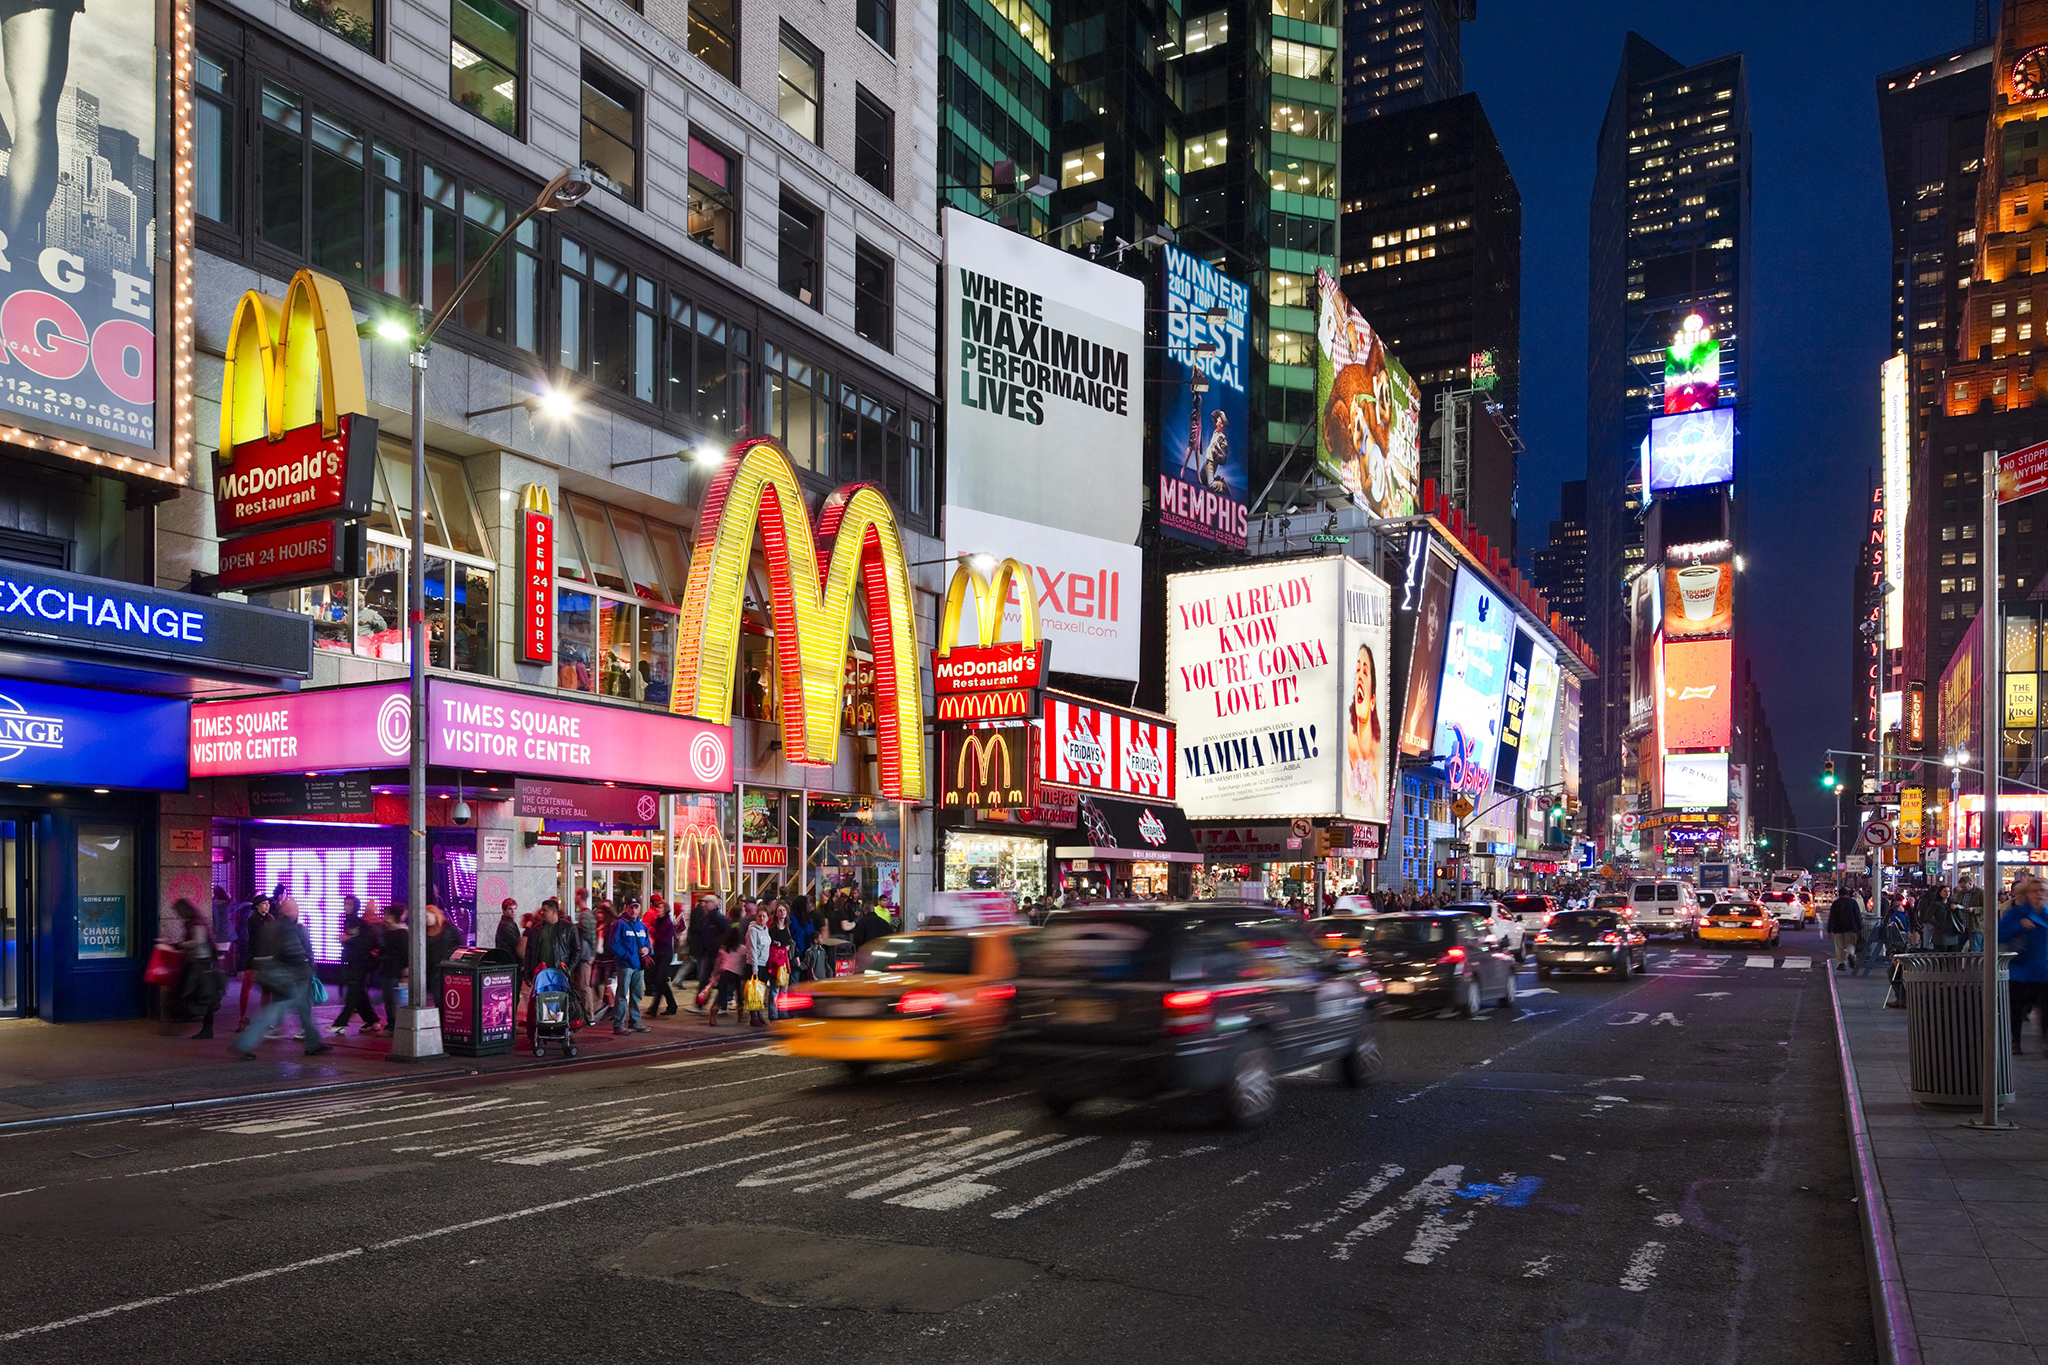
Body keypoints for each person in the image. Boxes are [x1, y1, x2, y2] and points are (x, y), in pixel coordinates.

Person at [233, 897, 332, 1059]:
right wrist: (308, 966)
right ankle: (244, 1044)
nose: (297, 911)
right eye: (294, 908)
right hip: (290, 978)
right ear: (287, 911)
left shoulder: (273, 925)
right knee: (276, 1011)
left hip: (279, 977)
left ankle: (314, 1043)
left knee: (303, 1011)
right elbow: (295, 953)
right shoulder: (289, 928)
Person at [2002, 873, 2048, 1054]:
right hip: (2020, 970)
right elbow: (1999, 933)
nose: (2038, 895)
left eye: (2042, 891)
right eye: (2035, 891)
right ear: (2027, 894)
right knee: (2016, 1008)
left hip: (2043, 970)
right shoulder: (2017, 912)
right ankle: (2015, 1041)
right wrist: (2020, 925)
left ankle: (2045, 1041)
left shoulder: (2045, 913)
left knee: (2046, 1010)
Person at [170, 898, 224, 1041]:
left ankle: (203, 1027)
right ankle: (206, 1028)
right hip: (204, 963)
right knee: (207, 998)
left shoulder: (195, 923)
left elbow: (198, 942)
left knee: (195, 994)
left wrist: (179, 945)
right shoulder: (197, 921)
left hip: (201, 964)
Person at [332, 898, 382, 1035]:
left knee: (353, 993)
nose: (346, 907)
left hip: (361, 963)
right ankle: (372, 1020)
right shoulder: (349, 922)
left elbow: (368, 943)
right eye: (345, 904)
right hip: (353, 961)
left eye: (349, 904)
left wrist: (349, 939)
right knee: (358, 993)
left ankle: (341, 1022)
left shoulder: (365, 924)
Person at [234, 895, 276, 1032]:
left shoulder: (269, 918)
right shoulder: (252, 920)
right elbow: (254, 940)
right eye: (264, 903)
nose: (267, 906)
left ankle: (264, 1020)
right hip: (255, 959)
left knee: (266, 991)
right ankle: (242, 1018)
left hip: (268, 958)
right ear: (257, 906)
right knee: (247, 988)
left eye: (268, 903)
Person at [610, 902, 651, 1034]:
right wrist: (628, 957)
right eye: (631, 907)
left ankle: (634, 1022)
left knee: (636, 995)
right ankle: (619, 1024)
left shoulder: (642, 926)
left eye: (636, 907)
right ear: (626, 908)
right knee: (622, 995)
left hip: (638, 966)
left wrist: (647, 950)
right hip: (625, 965)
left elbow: (648, 944)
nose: (633, 910)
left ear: (639, 908)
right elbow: (614, 945)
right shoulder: (619, 924)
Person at [378, 904, 410, 1030]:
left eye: (387, 914)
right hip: (388, 969)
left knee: (392, 1000)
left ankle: (393, 1026)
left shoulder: (401, 933)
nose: (385, 917)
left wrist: (405, 973)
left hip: (395, 971)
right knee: (389, 999)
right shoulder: (388, 931)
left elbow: (404, 954)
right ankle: (392, 1025)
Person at [708, 925, 745, 1026]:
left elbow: (718, 963)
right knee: (739, 995)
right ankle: (740, 1016)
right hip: (736, 974)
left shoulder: (724, 949)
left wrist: (715, 974)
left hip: (724, 973)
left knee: (721, 995)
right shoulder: (742, 949)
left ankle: (713, 1014)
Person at [646, 900, 678, 1016]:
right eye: (658, 908)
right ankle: (671, 1005)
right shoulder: (658, 921)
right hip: (658, 953)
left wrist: (654, 932)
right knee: (660, 981)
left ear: (665, 910)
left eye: (660, 908)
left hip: (665, 954)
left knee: (660, 980)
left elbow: (665, 939)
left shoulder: (667, 923)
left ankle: (655, 1008)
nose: (658, 910)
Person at [1828, 884, 1865, 972]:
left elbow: (1832, 917)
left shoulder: (1836, 903)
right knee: (1850, 943)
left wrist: (1829, 929)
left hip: (1838, 927)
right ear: (1847, 894)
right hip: (1851, 927)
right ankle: (1851, 954)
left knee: (1839, 946)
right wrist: (1859, 928)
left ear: (1839, 895)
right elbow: (1857, 916)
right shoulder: (1853, 903)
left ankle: (1842, 962)